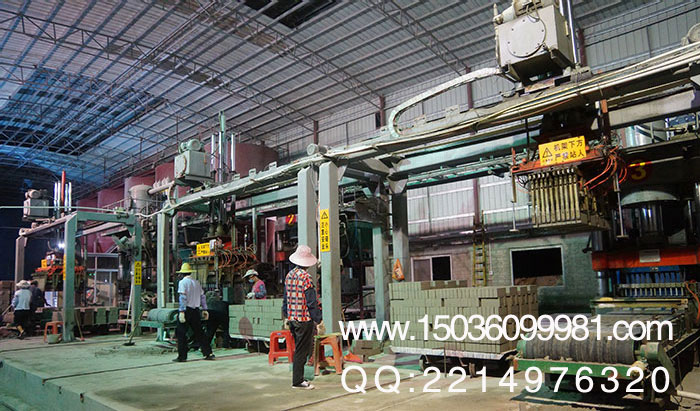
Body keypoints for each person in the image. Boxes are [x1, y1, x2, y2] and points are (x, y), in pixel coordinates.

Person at [282, 245, 323, 390]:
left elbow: (286, 298)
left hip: (292, 319)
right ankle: (298, 381)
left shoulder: (289, 275)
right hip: (304, 319)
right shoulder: (306, 278)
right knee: (302, 350)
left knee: (298, 348)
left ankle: (298, 377)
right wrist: (318, 319)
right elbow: (311, 302)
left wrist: (286, 315)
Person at [174, 262, 215, 362]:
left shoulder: (182, 282)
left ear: (182, 273)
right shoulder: (197, 283)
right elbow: (203, 297)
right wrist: (205, 309)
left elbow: (183, 297)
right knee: (200, 333)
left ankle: (182, 356)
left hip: (186, 310)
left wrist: (182, 311)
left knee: (181, 333)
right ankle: (208, 353)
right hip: (196, 311)